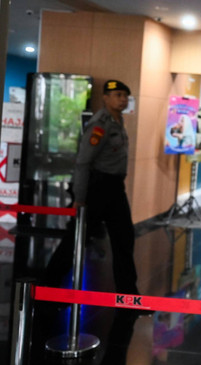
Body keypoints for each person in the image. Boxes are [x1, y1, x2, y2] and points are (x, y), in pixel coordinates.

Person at [45, 79, 140, 298]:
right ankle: (47, 290)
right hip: (97, 188)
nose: (122, 99)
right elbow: (83, 161)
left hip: (115, 188)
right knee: (76, 240)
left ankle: (128, 294)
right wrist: (79, 196)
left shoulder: (119, 120)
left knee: (124, 238)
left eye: (125, 96)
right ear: (106, 97)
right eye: (117, 95)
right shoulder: (100, 123)